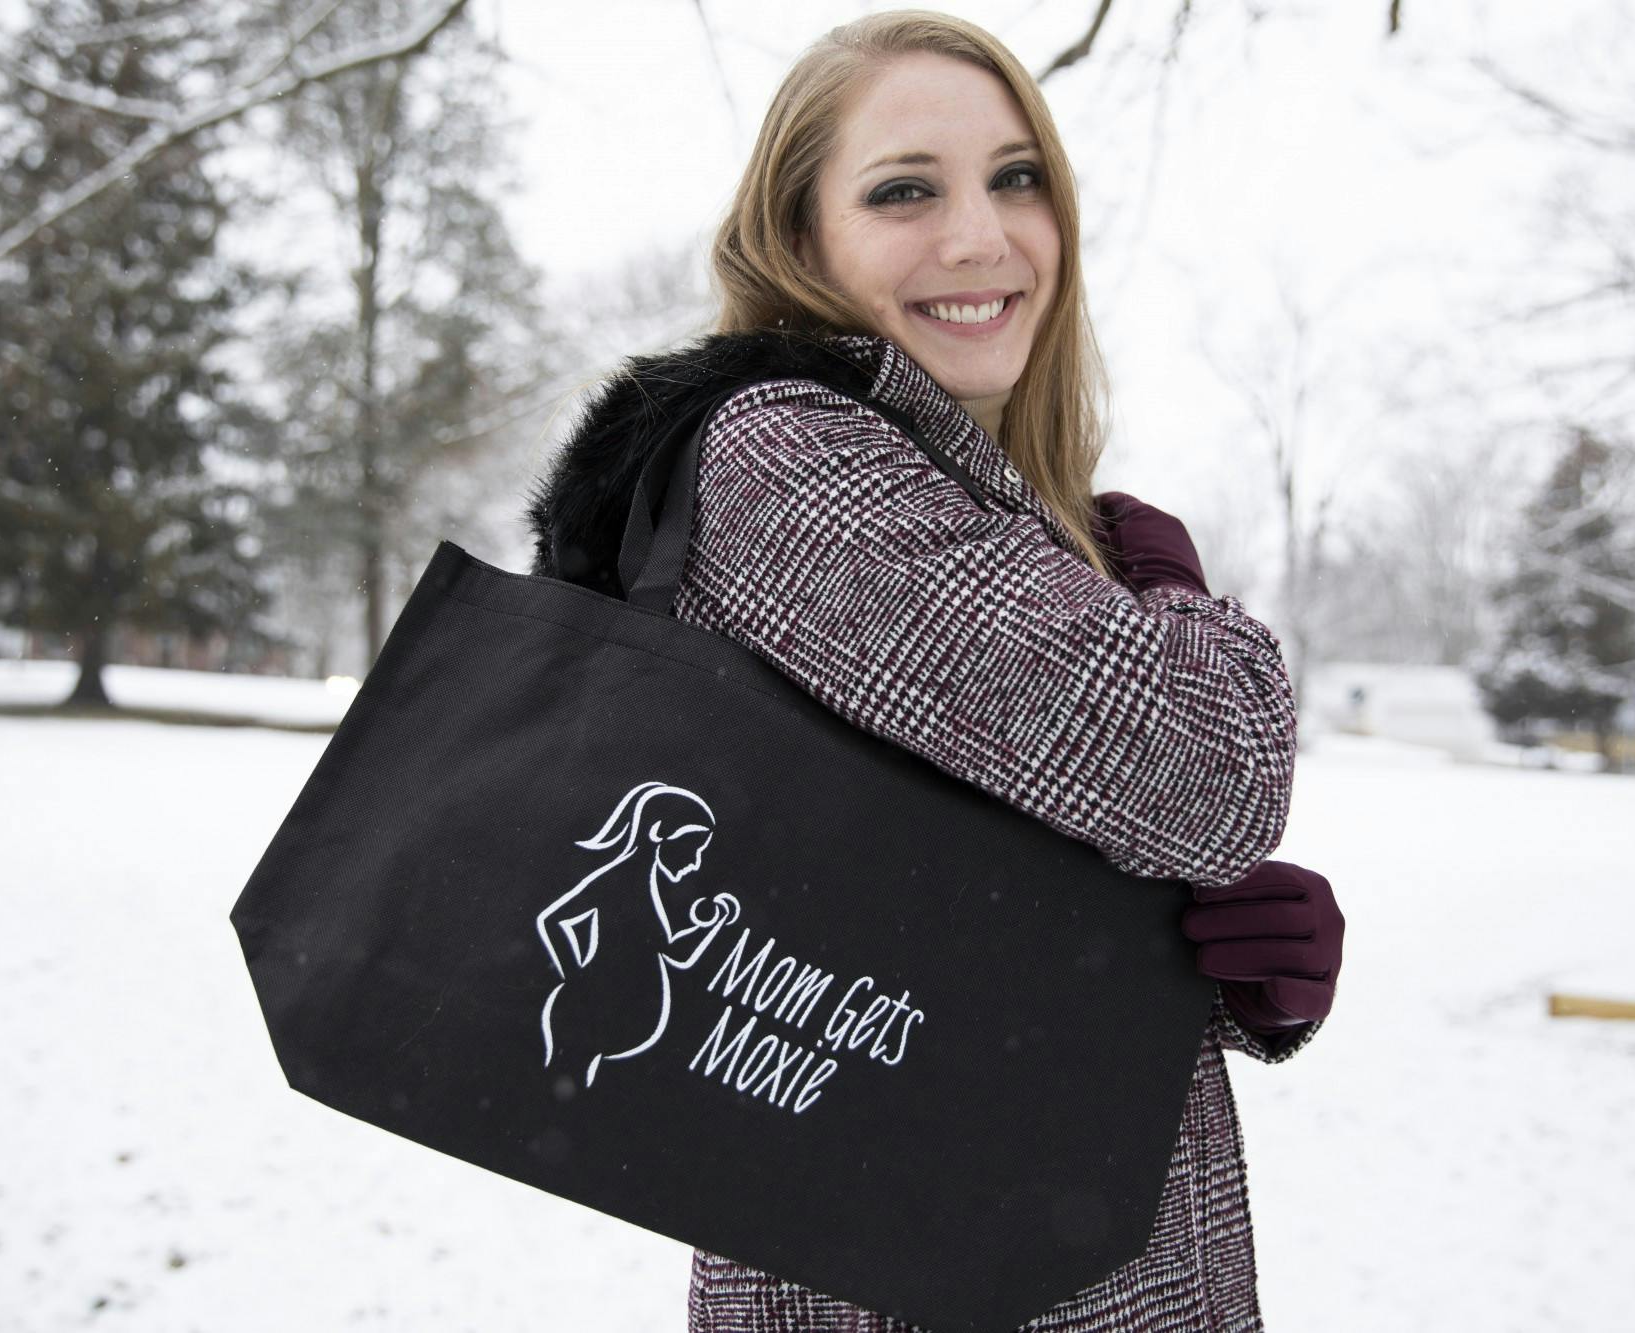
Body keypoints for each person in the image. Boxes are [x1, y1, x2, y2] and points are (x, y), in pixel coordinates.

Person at [524, 9, 1346, 1330]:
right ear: (801, 240)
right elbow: (1210, 767)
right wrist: (1178, 602)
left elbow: (924, 884)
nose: (982, 234)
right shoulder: (791, 461)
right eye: (907, 189)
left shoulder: (982, 500)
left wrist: (1203, 959)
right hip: (918, 1280)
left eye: (1018, 178)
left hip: (1026, 1232)